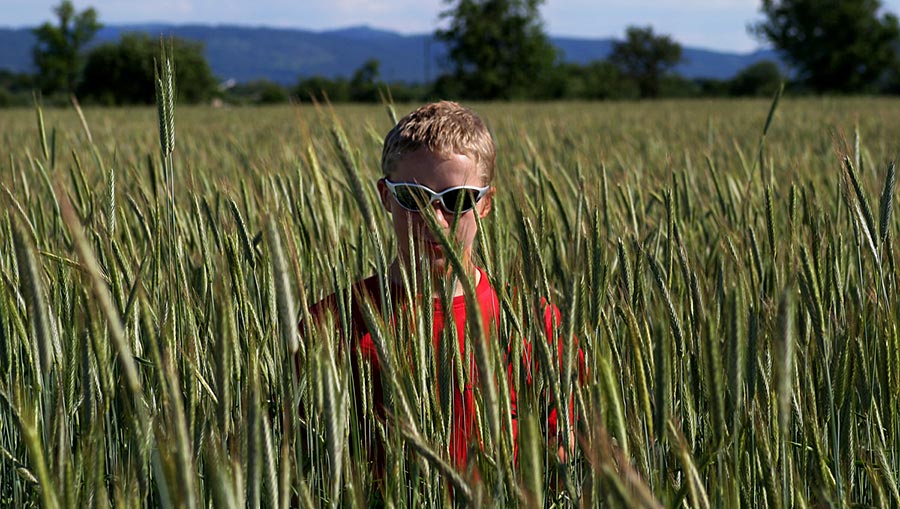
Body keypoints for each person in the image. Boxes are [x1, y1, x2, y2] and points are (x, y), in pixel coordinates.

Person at [302, 100, 582, 483]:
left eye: (456, 200)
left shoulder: (537, 327)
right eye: (413, 198)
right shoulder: (329, 323)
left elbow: (564, 453)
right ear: (385, 196)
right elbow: (302, 456)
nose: (434, 220)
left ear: (485, 204)